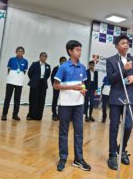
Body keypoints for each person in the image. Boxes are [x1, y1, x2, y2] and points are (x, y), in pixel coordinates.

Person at [53, 40, 91, 172]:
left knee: (79, 132)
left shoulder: (82, 68)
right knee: (63, 131)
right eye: (77, 49)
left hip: (79, 105)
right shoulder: (63, 67)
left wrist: (83, 90)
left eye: (80, 49)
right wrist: (72, 87)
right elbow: (55, 85)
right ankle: (63, 158)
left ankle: (78, 159)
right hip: (65, 105)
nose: (80, 52)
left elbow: (83, 84)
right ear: (70, 51)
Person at [106, 34, 133, 170]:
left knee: (128, 126)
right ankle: (112, 154)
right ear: (116, 46)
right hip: (115, 98)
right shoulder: (111, 60)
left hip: (129, 98)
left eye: (127, 42)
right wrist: (123, 71)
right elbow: (110, 79)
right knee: (114, 127)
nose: (126, 44)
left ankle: (122, 149)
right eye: (123, 42)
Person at [1, 46, 28, 121]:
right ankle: (4, 114)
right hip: (10, 81)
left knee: (17, 99)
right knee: (7, 98)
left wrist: (19, 77)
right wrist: (11, 77)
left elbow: (24, 71)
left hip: (19, 82)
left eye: (21, 51)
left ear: (23, 53)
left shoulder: (25, 61)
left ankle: (15, 115)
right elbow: (8, 70)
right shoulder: (11, 59)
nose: (20, 52)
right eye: (18, 51)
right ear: (16, 52)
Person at [27, 52, 51, 120]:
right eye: (42, 56)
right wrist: (34, 80)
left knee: (41, 100)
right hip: (34, 84)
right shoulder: (34, 64)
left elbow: (48, 75)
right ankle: (30, 115)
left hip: (43, 84)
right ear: (40, 57)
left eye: (45, 56)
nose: (44, 57)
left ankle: (38, 116)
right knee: (33, 99)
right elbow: (29, 73)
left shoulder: (48, 66)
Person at [51, 56, 67, 121]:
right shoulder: (56, 68)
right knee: (55, 100)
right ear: (60, 61)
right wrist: (54, 85)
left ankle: (60, 115)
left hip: (64, 88)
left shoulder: (67, 69)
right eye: (62, 60)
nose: (64, 62)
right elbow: (52, 78)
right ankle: (54, 114)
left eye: (65, 61)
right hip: (57, 87)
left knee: (62, 101)